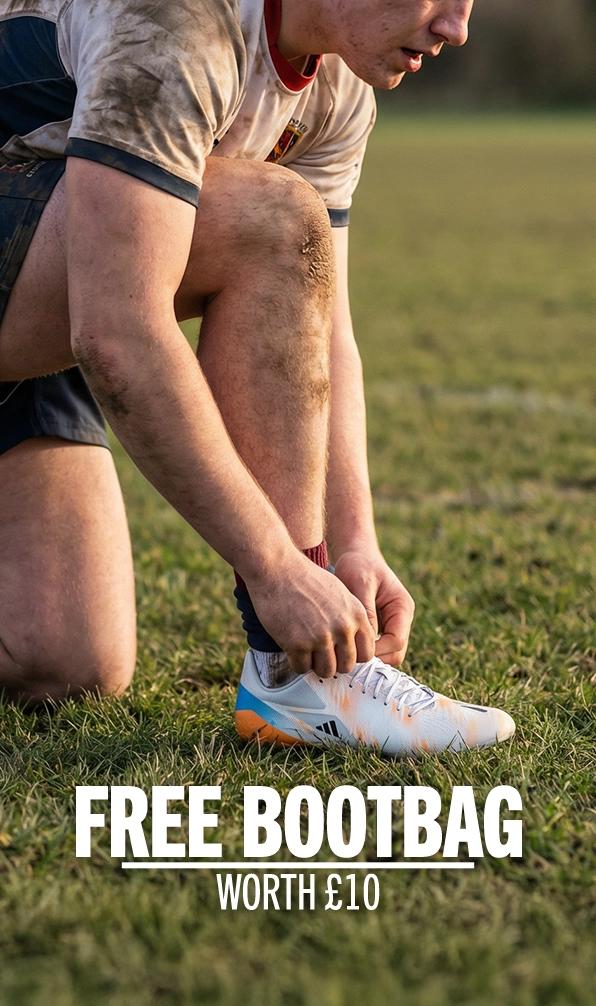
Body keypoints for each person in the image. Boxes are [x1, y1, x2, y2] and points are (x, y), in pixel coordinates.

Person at [0, 0, 515, 755]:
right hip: (68, 289)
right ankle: (295, 681)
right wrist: (276, 571)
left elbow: (323, 326)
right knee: (272, 218)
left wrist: (351, 549)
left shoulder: (338, 89)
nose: (456, 28)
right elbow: (117, 330)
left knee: (62, 661)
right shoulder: (174, 21)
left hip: (42, 282)